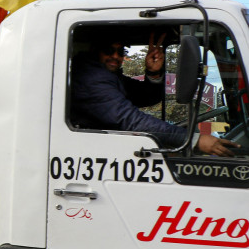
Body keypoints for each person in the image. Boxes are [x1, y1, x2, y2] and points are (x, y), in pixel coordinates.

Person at [71, 32, 236, 156]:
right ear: (94, 51)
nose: (115, 56)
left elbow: (144, 97)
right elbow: (130, 120)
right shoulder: (92, 78)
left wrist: (153, 73)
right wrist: (194, 140)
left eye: (120, 52)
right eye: (108, 50)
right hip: (97, 152)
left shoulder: (107, 75)